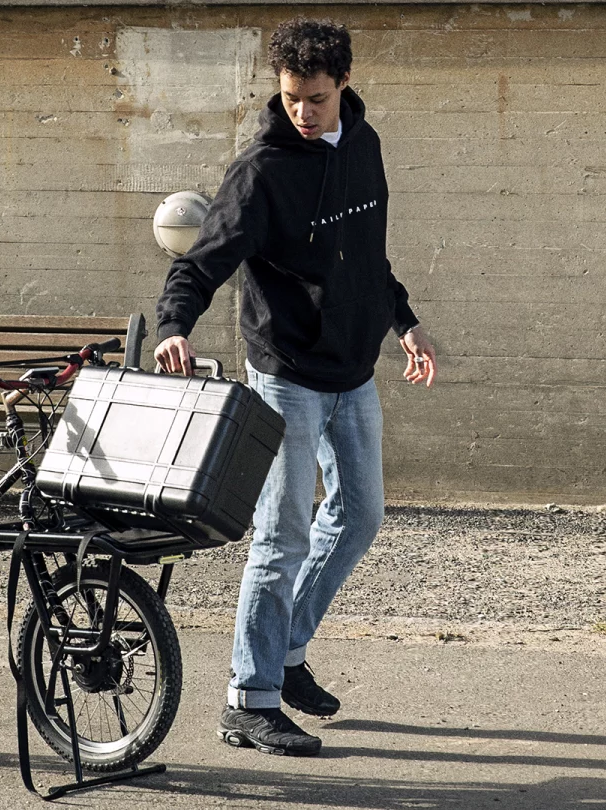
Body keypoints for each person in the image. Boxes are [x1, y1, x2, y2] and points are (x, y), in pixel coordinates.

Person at [153, 16, 438, 757]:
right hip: (286, 374)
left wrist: (403, 323)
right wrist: (174, 325)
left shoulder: (365, 148)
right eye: (290, 99)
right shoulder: (262, 171)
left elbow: (368, 258)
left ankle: (284, 654)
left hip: (352, 369)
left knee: (361, 516)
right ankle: (248, 700)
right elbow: (203, 258)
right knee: (283, 534)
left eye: (314, 98)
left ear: (342, 84)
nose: (301, 114)